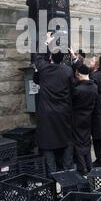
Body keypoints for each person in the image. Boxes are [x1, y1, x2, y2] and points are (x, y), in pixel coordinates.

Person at [33, 34, 74, 175]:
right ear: (63, 59)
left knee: (47, 142)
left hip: (47, 113)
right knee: (67, 139)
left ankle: (52, 174)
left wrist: (47, 42)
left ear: (50, 57)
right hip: (63, 112)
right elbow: (72, 88)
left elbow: (37, 57)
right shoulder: (68, 71)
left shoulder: (44, 69)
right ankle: (68, 170)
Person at [72, 63, 98, 176]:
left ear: (80, 75)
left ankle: (82, 169)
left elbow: (72, 103)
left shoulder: (77, 89)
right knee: (87, 143)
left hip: (77, 119)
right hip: (89, 118)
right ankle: (89, 166)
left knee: (78, 144)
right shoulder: (94, 87)